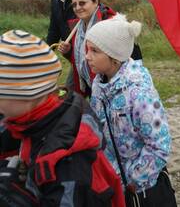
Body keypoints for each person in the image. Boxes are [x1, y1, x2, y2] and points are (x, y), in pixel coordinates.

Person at [0, 30, 125, 206]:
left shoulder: (69, 166)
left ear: (27, 95)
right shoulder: (30, 118)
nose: (87, 57)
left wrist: (19, 199)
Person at [86, 18, 177, 206]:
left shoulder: (139, 94)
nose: (87, 56)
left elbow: (160, 145)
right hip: (112, 181)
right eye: (87, 49)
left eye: (94, 51)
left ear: (114, 56)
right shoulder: (99, 84)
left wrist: (132, 180)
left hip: (141, 190)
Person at [58, 0, 142, 97]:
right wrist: (68, 52)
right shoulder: (77, 28)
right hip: (89, 83)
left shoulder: (112, 23)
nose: (77, 8)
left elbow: (130, 54)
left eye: (82, 3)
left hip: (112, 87)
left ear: (95, 2)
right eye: (74, 5)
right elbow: (82, 59)